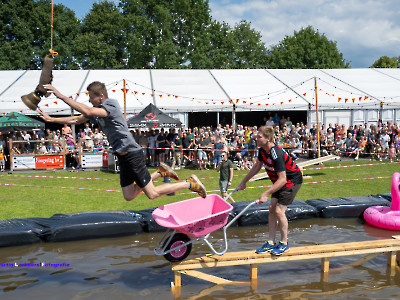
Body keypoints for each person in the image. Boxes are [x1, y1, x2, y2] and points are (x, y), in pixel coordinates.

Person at [38, 81, 207, 200]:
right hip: (122, 156)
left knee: (152, 194)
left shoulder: (111, 105)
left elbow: (87, 111)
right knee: (128, 196)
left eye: (91, 97)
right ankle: (160, 172)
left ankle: (189, 183)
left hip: (132, 154)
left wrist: (60, 95)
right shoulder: (96, 109)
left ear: (101, 96)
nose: (89, 100)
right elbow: (77, 119)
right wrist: (52, 120)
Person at [237, 125, 303, 256]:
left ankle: (284, 243)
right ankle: (270, 242)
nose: (256, 138)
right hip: (280, 181)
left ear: (267, 138)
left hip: (291, 181)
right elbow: (257, 166)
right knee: (272, 208)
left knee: (279, 210)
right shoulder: (262, 150)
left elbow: (283, 179)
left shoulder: (276, 153)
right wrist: (244, 182)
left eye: (259, 137)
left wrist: (265, 193)